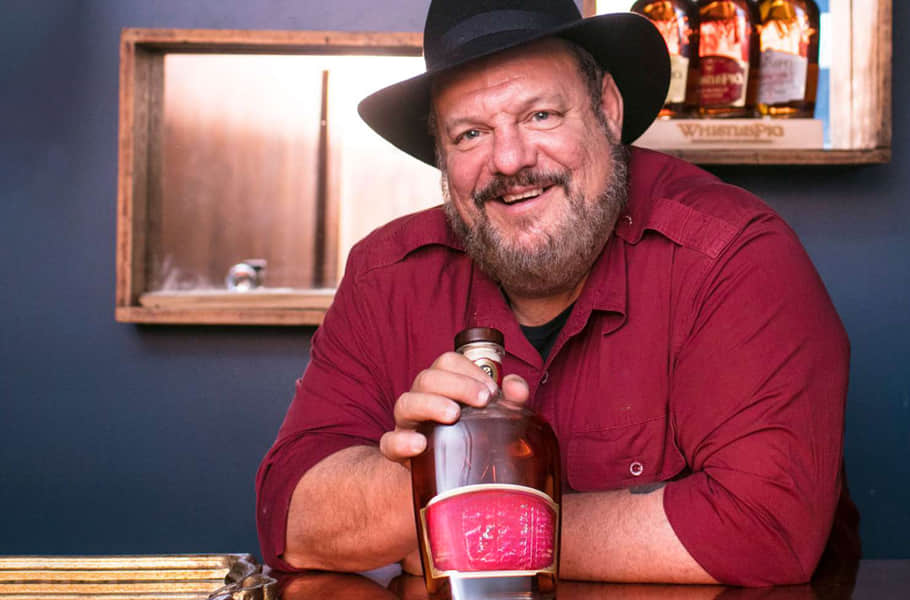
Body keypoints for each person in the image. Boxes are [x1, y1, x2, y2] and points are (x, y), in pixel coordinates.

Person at [256, 0, 859, 586]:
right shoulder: (385, 274)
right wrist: (427, 472)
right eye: (470, 133)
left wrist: (460, 535)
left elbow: (767, 528)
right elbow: (289, 517)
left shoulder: (733, 255)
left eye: (540, 115)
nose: (509, 160)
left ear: (608, 110)